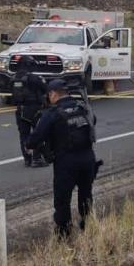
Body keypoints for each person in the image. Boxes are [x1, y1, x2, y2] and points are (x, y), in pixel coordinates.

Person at [27, 80, 98, 237]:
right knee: (86, 195)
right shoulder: (82, 107)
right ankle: (88, 227)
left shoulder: (53, 114)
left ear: (53, 94)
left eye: (48, 95)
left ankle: (64, 234)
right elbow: (93, 121)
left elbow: (35, 139)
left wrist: (30, 144)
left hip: (66, 162)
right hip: (88, 159)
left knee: (62, 201)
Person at [12, 56, 49, 167]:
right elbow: (45, 88)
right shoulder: (33, 78)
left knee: (24, 135)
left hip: (20, 110)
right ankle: (37, 158)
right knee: (37, 133)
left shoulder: (14, 78)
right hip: (33, 110)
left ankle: (27, 159)